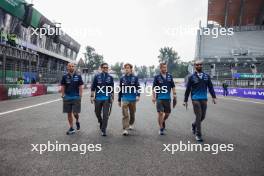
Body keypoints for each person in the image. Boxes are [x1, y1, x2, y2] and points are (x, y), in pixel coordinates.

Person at [183, 60, 216, 142]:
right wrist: (185, 100)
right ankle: (198, 134)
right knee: (198, 115)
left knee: (203, 116)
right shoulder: (191, 77)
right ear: (195, 66)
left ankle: (194, 125)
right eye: (197, 65)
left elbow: (210, 87)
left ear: (202, 66)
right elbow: (188, 89)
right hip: (195, 99)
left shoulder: (206, 76)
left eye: (200, 65)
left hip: (204, 99)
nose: (199, 66)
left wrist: (213, 97)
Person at [152, 63, 177, 135]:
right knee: (160, 113)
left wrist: (175, 94)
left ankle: (162, 121)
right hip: (159, 98)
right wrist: (153, 97)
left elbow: (173, 86)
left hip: (167, 98)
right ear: (160, 68)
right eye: (163, 67)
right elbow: (154, 88)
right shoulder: (157, 77)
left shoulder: (170, 76)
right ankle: (161, 128)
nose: (165, 69)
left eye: (166, 67)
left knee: (167, 113)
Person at [91, 63, 114, 136]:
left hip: (106, 98)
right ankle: (100, 122)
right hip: (98, 98)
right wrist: (92, 96)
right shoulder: (97, 76)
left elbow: (111, 88)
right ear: (101, 68)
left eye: (107, 67)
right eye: (104, 67)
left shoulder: (110, 77)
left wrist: (112, 97)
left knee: (105, 115)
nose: (105, 68)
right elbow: (93, 87)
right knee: (97, 112)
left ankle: (103, 129)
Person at [61, 63, 83, 135]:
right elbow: (63, 86)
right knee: (69, 113)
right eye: (70, 66)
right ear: (67, 67)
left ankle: (77, 120)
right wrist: (63, 95)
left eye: (72, 66)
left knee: (75, 113)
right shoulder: (64, 77)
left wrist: (80, 95)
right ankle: (71, 128)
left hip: (76, 97)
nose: (71, 67)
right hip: (67, 98)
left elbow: (80, 87)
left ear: (74, 67)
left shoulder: (78, 76)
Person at [118, 63, 140, 136]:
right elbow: (120, 89)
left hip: (133, 98)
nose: (126, 69)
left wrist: (138, 95)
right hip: (125, 98)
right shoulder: (122, 78)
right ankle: (125, 129)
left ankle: (131, 123)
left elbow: (138, 88)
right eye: (125, 68)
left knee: (132, 113)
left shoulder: (135, 78)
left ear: (131, 69)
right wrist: (119, 100)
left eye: (128, 68)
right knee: (125, 114)